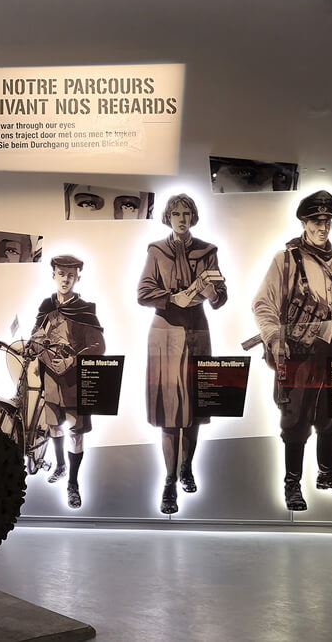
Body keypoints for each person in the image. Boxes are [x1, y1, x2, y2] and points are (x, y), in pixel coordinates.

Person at [252, 190, 332, 511]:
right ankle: (292, 484)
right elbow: (263, 303)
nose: (322, 227)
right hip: (299, 349)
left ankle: (327, 473)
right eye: (315, 221)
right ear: (304, 223)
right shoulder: (286, 260)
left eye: (327, 221)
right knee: (296, 416)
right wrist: (273, 337)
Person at [137, 194, 226, 515]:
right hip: (164, 336)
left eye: (187, 213)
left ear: (194, 216)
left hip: (197, 334)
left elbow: (220, 298)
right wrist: (176, 298)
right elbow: (143, 292)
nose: (181, 218)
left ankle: (187, 465)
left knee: (195, 409)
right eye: (176, 213)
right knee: (169, 414)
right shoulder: (156, 251)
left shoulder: (208, 251)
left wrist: (214, 290)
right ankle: (169, 481)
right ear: (167, 216)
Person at [31, 255, 106, 509]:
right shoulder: (45, 307)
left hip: (74, 382)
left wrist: (73, 360)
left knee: (76, 433)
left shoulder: (84, 309)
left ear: (77, 277)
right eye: (61, 274)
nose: (65, 279)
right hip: (50, 380)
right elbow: (35, 337)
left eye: (70, 275)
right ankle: (61, 465)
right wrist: (34, 344)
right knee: (53, 427)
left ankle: (73, 483)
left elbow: (98, 345)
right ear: (53, 274)